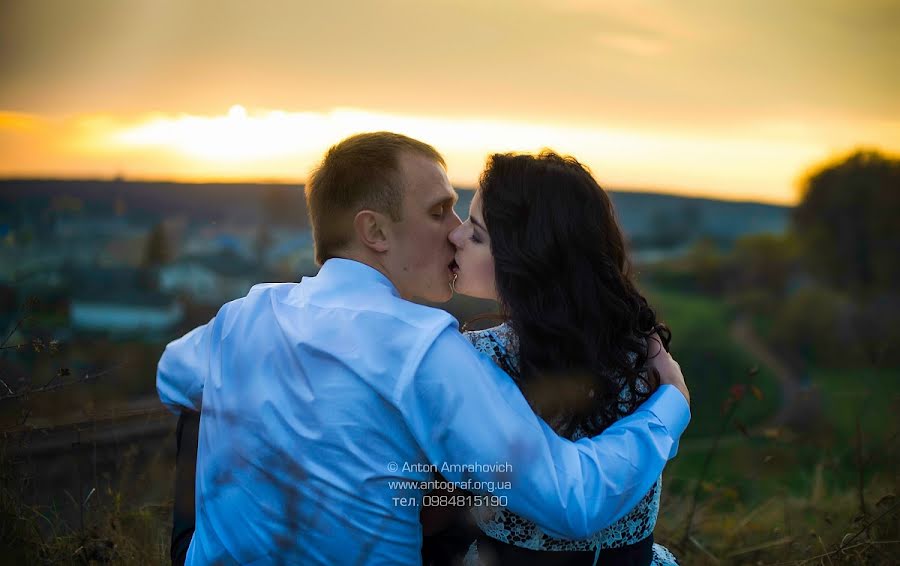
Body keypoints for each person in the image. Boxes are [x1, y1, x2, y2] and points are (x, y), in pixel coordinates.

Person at [158, 132, 691, 565]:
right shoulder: (423, 348)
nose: (457, 232)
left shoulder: (242, 316)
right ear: (375, 232)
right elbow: (570, 500)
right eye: (440, 212)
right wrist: (671, 406)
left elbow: (172, 376)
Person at [441, 151, 681, 565]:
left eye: (477, 234)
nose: (456, 237)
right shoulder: (641, 354)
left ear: (527, 260)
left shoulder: (475, 359)